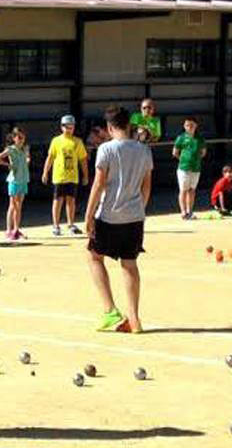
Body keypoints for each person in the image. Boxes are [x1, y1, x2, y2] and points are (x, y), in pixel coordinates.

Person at [84, 106, 153, 333]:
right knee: (130, 264)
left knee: (94, 257)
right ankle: (134, 318)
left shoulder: (106, 149)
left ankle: (111, 311)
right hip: (135, 215)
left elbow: (99, 183)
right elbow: (146, 185)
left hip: (109, 215)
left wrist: (88, 215)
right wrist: (139, 208)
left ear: (110, 128)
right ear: (129, 125)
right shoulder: (144, 150)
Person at [42, 114, 89, 236]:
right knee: (58, 201)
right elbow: (50, 157)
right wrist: (45, 172)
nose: (69, 129)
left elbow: (83, 159)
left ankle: (71, 224)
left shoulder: (77, 142)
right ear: (61, 127)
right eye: (67, 127)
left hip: (72, 177)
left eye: (71, 127)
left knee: (71, 201)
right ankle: (56, 225)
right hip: (59, 176)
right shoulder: (56, 141)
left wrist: (85, 175)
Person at [0, 126, 30, 240]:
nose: (20, 139)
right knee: (14, 205)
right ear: (14, 138)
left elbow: (28, 159)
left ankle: (16, 229)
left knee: (19, 206)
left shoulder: (25, 148)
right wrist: (8, 165)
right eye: (18, 137)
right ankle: (10, 230)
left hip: (23, 179)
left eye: (22, 137)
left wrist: (27, 160)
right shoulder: (10, 149)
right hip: (14, 180)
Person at [172, 117, 206, 220]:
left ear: (196, 126)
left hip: (196, 168)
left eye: (192, 125)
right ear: (184, 126)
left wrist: (195, 160)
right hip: (184, 168)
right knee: (183, 190)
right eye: (187, 125)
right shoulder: (181, 138)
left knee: (192, 190)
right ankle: (183, 211)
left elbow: (203, 152)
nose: (189, 127)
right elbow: (175, 152)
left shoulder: (200, 138)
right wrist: (184, 160)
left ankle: (190, 211)